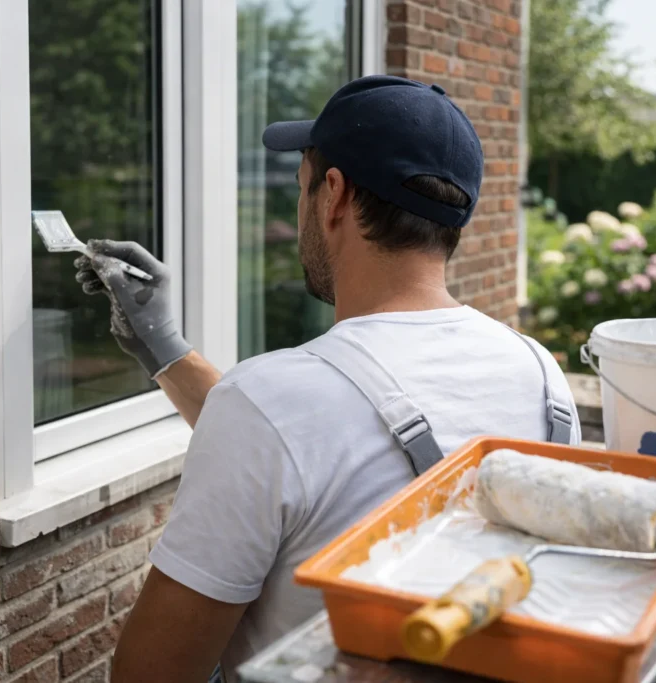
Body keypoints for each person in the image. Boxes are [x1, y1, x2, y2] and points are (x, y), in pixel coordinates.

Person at [74, 75, 582, 683]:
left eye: (301, 186)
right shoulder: (539, 372)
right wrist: (166, 350)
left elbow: (150, 674)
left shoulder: (271, 403)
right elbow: (308, 448)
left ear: (334, 194)